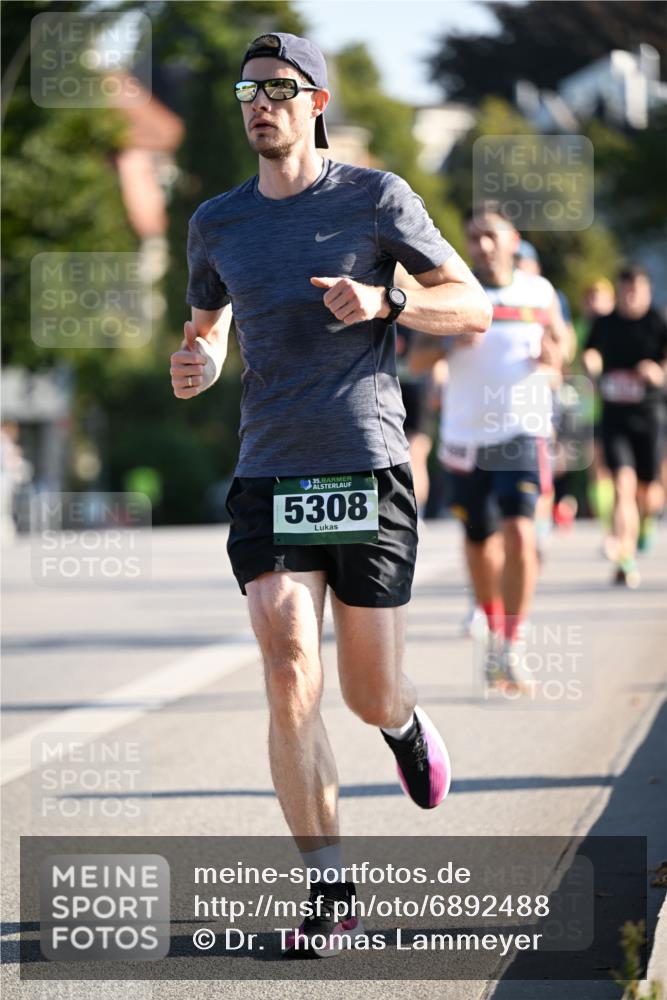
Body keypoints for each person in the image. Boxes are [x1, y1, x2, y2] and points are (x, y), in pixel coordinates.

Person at [169, 32, 491, 955]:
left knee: (365, 690)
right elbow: (209, 325)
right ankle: (330, 890)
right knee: (286, 668)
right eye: (248, 89)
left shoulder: (375, 197)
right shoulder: (217, 222)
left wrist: (388, 302)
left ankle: (402, 722)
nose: (258, 103)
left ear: (314, 102)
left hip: (363, 461)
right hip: (269, 467)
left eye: (278, 88)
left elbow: (471, 305)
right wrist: (199, 361)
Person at [410, 205, 567, 692]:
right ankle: (495, 631)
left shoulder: (538, 291)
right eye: (474, 238)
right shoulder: (452, 294)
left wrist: (553, 356)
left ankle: (513, 643)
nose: (482, 246)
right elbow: (415, 359)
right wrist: (448, 344)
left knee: (520, 532)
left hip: (521, 429)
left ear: (513, 239)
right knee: (479, 540)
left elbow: (561, 343)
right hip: (464, 436)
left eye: (490, 236)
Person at [582, 264, 667, 587]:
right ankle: (625, 557)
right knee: (622, 486)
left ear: (647, 292)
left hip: (650, 415)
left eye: (637, 291)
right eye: (626, 291)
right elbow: (590, 349)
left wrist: (658, 372)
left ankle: (646, 523)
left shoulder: (657, 321)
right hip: (615, 415)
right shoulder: (606, 323)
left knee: (648, 491)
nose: (631, 297)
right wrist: (592, 362)